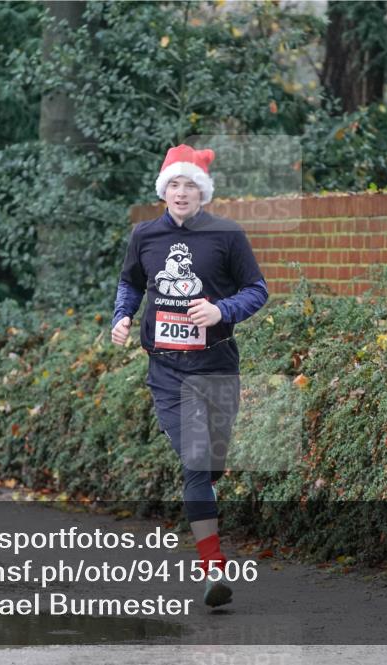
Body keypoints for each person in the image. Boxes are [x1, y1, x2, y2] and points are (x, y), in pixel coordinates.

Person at [111, 145, 268, 608]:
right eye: (173, 184)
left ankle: (209, 523)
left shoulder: (227, 235)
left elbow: (257, 290)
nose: (181, 192)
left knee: (212, 463)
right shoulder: (145, 235)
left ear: (203, 190)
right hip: (168, 371)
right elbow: (130, 282)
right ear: (164, 190)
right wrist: (123, 314)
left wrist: (221, 309)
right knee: (197, 463)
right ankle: (213, 567)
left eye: (190, 184)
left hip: (217, 365)